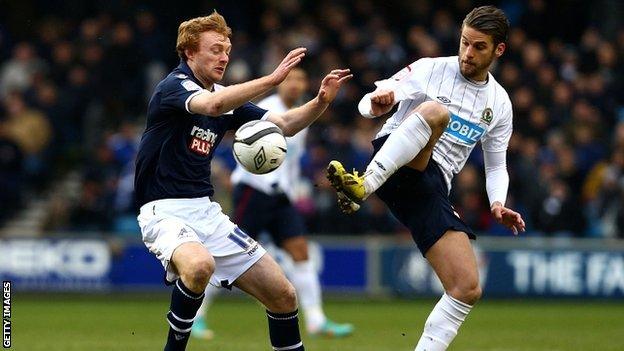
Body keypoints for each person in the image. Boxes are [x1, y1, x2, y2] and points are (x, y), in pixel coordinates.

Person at [134, 11, 351, 351]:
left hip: (207, 212)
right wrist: (272, 80)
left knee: (283, 295)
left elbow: (285, 124)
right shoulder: (174, 87)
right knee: (200, 265)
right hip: (164, 211)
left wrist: (320, 101)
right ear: (190, 52)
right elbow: (214, 104)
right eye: (216, 49)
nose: (224, 57)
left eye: (227, 50)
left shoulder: (226, 97)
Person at [325, 6, 525, 351]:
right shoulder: (431, 69)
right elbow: (365, 105)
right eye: (465, 42)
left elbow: (495, 166)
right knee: (436, 112)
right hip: (395, 157)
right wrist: (378, 103)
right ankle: (364, 184)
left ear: (499, 50)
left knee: (466, 286)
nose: (467, 53)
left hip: (429, 186)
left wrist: (497, 203)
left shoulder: (500, 104)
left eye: (479, 47)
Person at [191, 68, 354, 340]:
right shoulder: (267, 111)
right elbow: (241, 146)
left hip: (281, 196)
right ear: (280, 83)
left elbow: (288, 162)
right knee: (224, 253)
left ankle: (316, 320)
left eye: (300, 79)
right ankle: (197, 317)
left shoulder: (301, 115)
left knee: (301, 252)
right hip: (253, 191)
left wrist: (293, 189)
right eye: (290, 79)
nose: (295, 84)